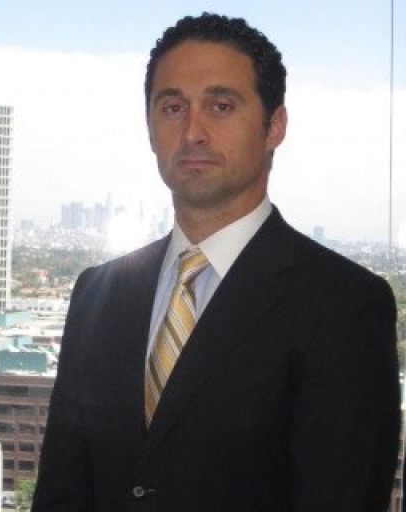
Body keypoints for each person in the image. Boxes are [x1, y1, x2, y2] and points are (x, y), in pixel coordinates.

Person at [32, 13, 401, 512]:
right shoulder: (98, 292)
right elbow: (62, 491)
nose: (192, 132)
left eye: (221, 106)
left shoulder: (344, 304)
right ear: (149, 128)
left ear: (274, 126)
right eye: (172, 107)